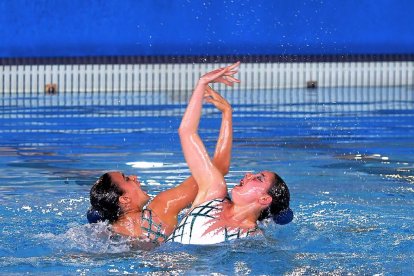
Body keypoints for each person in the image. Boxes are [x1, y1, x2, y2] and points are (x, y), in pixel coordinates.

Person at [88, 85, 234, 246]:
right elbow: (219, 168)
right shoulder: (162, 208)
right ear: (124, 199)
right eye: (127, 179)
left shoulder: (105, 235)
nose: (134, 177)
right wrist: (227, 113)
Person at [166, 62, 291, 244]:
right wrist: (201, 85)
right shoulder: (213, 192)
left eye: (258, 178)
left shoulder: (253, 239)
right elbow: (187, 132)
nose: (248, 174)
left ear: (264, 199)